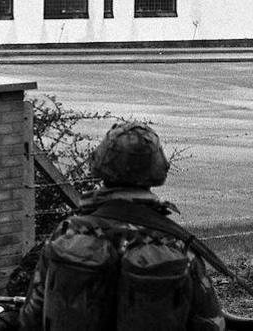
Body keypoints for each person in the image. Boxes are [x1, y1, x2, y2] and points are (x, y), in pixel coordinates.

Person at [19, 122, 225, 330]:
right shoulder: (174, 243)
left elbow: (31, 318)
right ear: (158, 167)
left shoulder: (68, 232)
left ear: (100, 163)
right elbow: (211, 324)